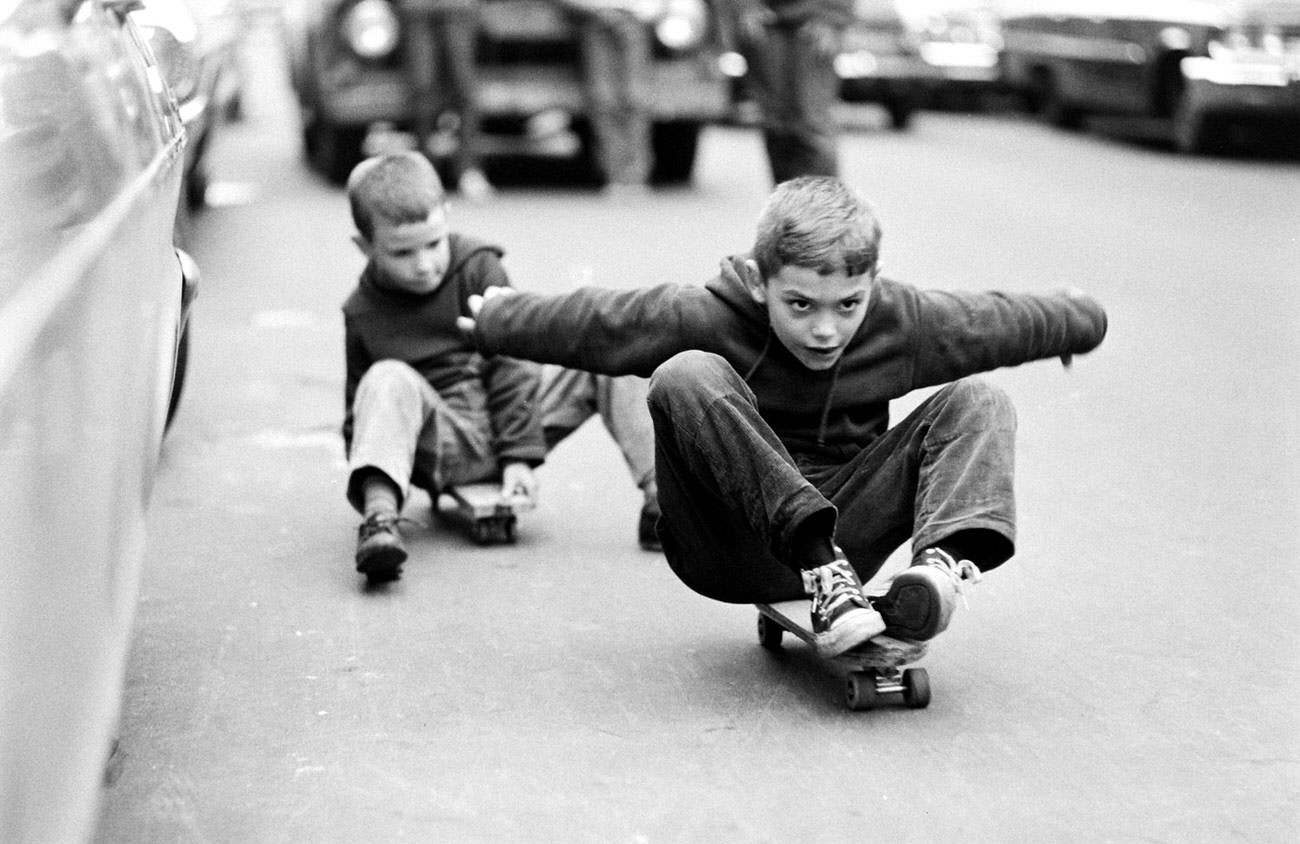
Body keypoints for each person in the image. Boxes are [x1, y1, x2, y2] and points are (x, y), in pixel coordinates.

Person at [459, 176, 1108, 657]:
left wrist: (1081, 321)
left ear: (873, 282)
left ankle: (936, 572)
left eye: (847, 304)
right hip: (726, 541)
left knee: (980, 399)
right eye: (799, 305)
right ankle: (818, 567)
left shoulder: (899, 323)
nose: (826, 330)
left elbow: (997, 323)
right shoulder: (709, 315)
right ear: (757, 279)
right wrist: (495, 320)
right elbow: (600, 322)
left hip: (851, 539)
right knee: (687, 371)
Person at [341, 151, 659, 582]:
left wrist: (518, 457)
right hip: (444, 441)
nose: (424, 264)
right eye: (402, 252)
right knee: (385, 379)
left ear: (446, 217)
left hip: (515, 417)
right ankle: (379, 523)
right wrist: (390, 466)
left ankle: (661, 499)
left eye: (433, 244)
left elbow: (514, 360)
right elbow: (358, 417)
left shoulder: (478, 267)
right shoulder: (362, 312)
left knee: (610, 348)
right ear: (365, 247)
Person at [734, 0, 850, 184]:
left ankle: (824, 204)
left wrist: (830, 18)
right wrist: (745, 8)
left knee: (811, 122)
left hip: (814, 22)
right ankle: (786, 202)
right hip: (766, 22)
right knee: (776, 122)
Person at [400, 0, 494, 201]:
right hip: (419, 10)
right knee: (422, 90)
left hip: (457, 8)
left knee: (464, 90)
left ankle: (468, 170)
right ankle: (424, 174)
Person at [556, 0, 653, 192]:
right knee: (603, 99)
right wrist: (599, 11)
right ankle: (615, 175)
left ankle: (636, 176)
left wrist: (641, 12)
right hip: (594, 21)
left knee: (635, 97)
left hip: (634, 20)